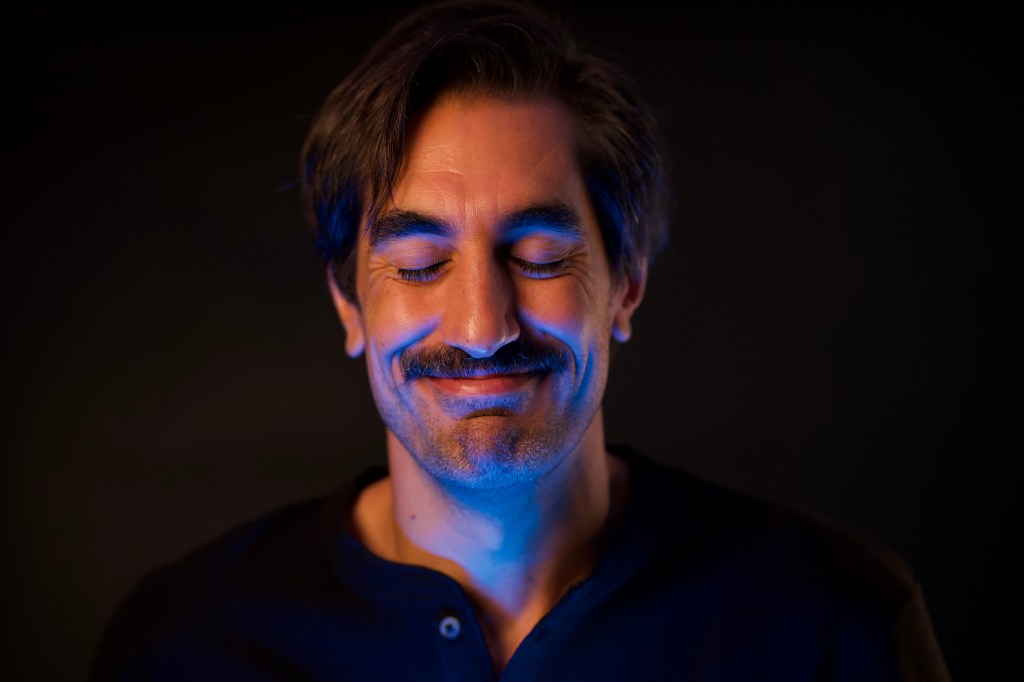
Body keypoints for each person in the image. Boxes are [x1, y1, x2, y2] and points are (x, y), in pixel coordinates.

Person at [90, 1, 950, 679]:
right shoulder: (184, 646)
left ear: (626, 284)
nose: (481, 328)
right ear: (350, 306)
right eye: (420, 264)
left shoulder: (833, 621)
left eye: (537, 256)